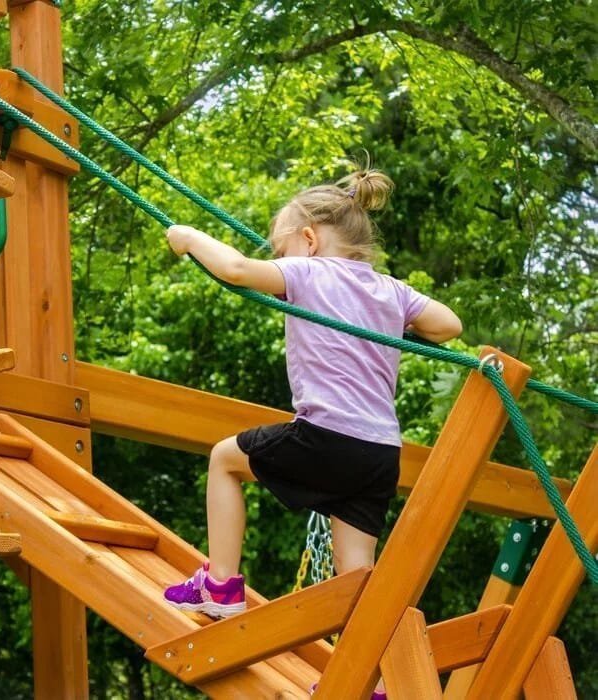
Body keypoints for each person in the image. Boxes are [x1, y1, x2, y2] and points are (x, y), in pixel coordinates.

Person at [162, 168, 462, 625]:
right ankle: (371, 661)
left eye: (282, 251)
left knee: (224, 460)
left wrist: (188, 237)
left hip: (327, 435)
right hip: (380, 453)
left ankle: (219, 586)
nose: (281, 260)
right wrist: (390, 318)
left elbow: (237, 269)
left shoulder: (308, 270)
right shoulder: (392, 290)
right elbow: (448, 325)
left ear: (309, 239)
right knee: (356, 572)